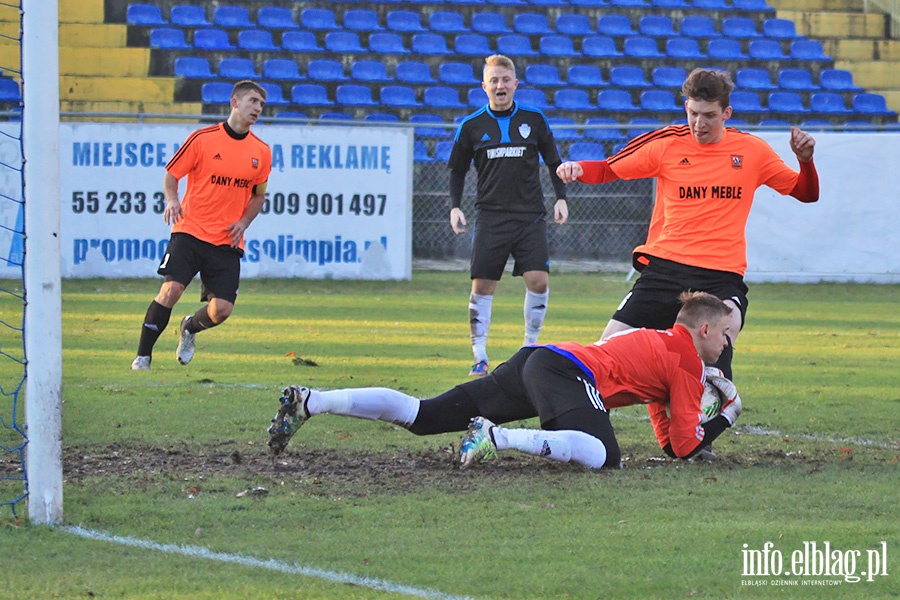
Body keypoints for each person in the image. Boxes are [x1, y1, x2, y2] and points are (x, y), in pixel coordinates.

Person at [267, 291, 743, 470]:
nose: (727, 344)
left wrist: (698, 425)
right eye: (725, 333)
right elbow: (684, 446)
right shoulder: (687, 361)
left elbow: (668, 435)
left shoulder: (668, 346)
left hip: (538, 360)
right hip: (564, 370)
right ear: (703, 328)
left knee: (425, 414)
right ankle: (497, 436)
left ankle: (313, 401)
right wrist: (726, 413)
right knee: (604, 456)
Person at [557, 68, 819, 381]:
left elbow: (806, 194)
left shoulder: (752, 151)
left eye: (709, 115)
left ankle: (709, 409)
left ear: (726, 113)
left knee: (726, 332)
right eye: (693, 113)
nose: (699, 124)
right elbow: (608, 170)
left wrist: (805, 161)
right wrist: (577, 168)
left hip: (721, 275)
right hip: (666, 269)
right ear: (686, 108)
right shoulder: (666, 143)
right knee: (603, 354)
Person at [131, 80, 272, 370]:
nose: (257, 108)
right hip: (190, 230)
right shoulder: (203, 139)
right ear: (234, 102)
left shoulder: (262, 151)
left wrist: (244, 222)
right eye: (253, 101)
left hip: (227, 240)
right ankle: (143, 357)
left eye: (261, 104)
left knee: (221, 310)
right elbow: (171, 175)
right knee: (171, 290)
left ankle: (189, 328)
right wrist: (172, 200)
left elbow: (258, 197)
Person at [447, 54, 569, 377]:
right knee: (483, 285)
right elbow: (457, 170)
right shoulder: (471, 126)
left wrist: (561, 198)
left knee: (538, 281)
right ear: (484, 86)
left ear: (516, 84)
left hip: (530, 215)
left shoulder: (535, 120)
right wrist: (455, 206)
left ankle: (529, 347)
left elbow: (554, 161)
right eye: (494, 81)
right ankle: (479, 354)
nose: (500, 86)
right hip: (490, 217)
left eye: (505, 80)